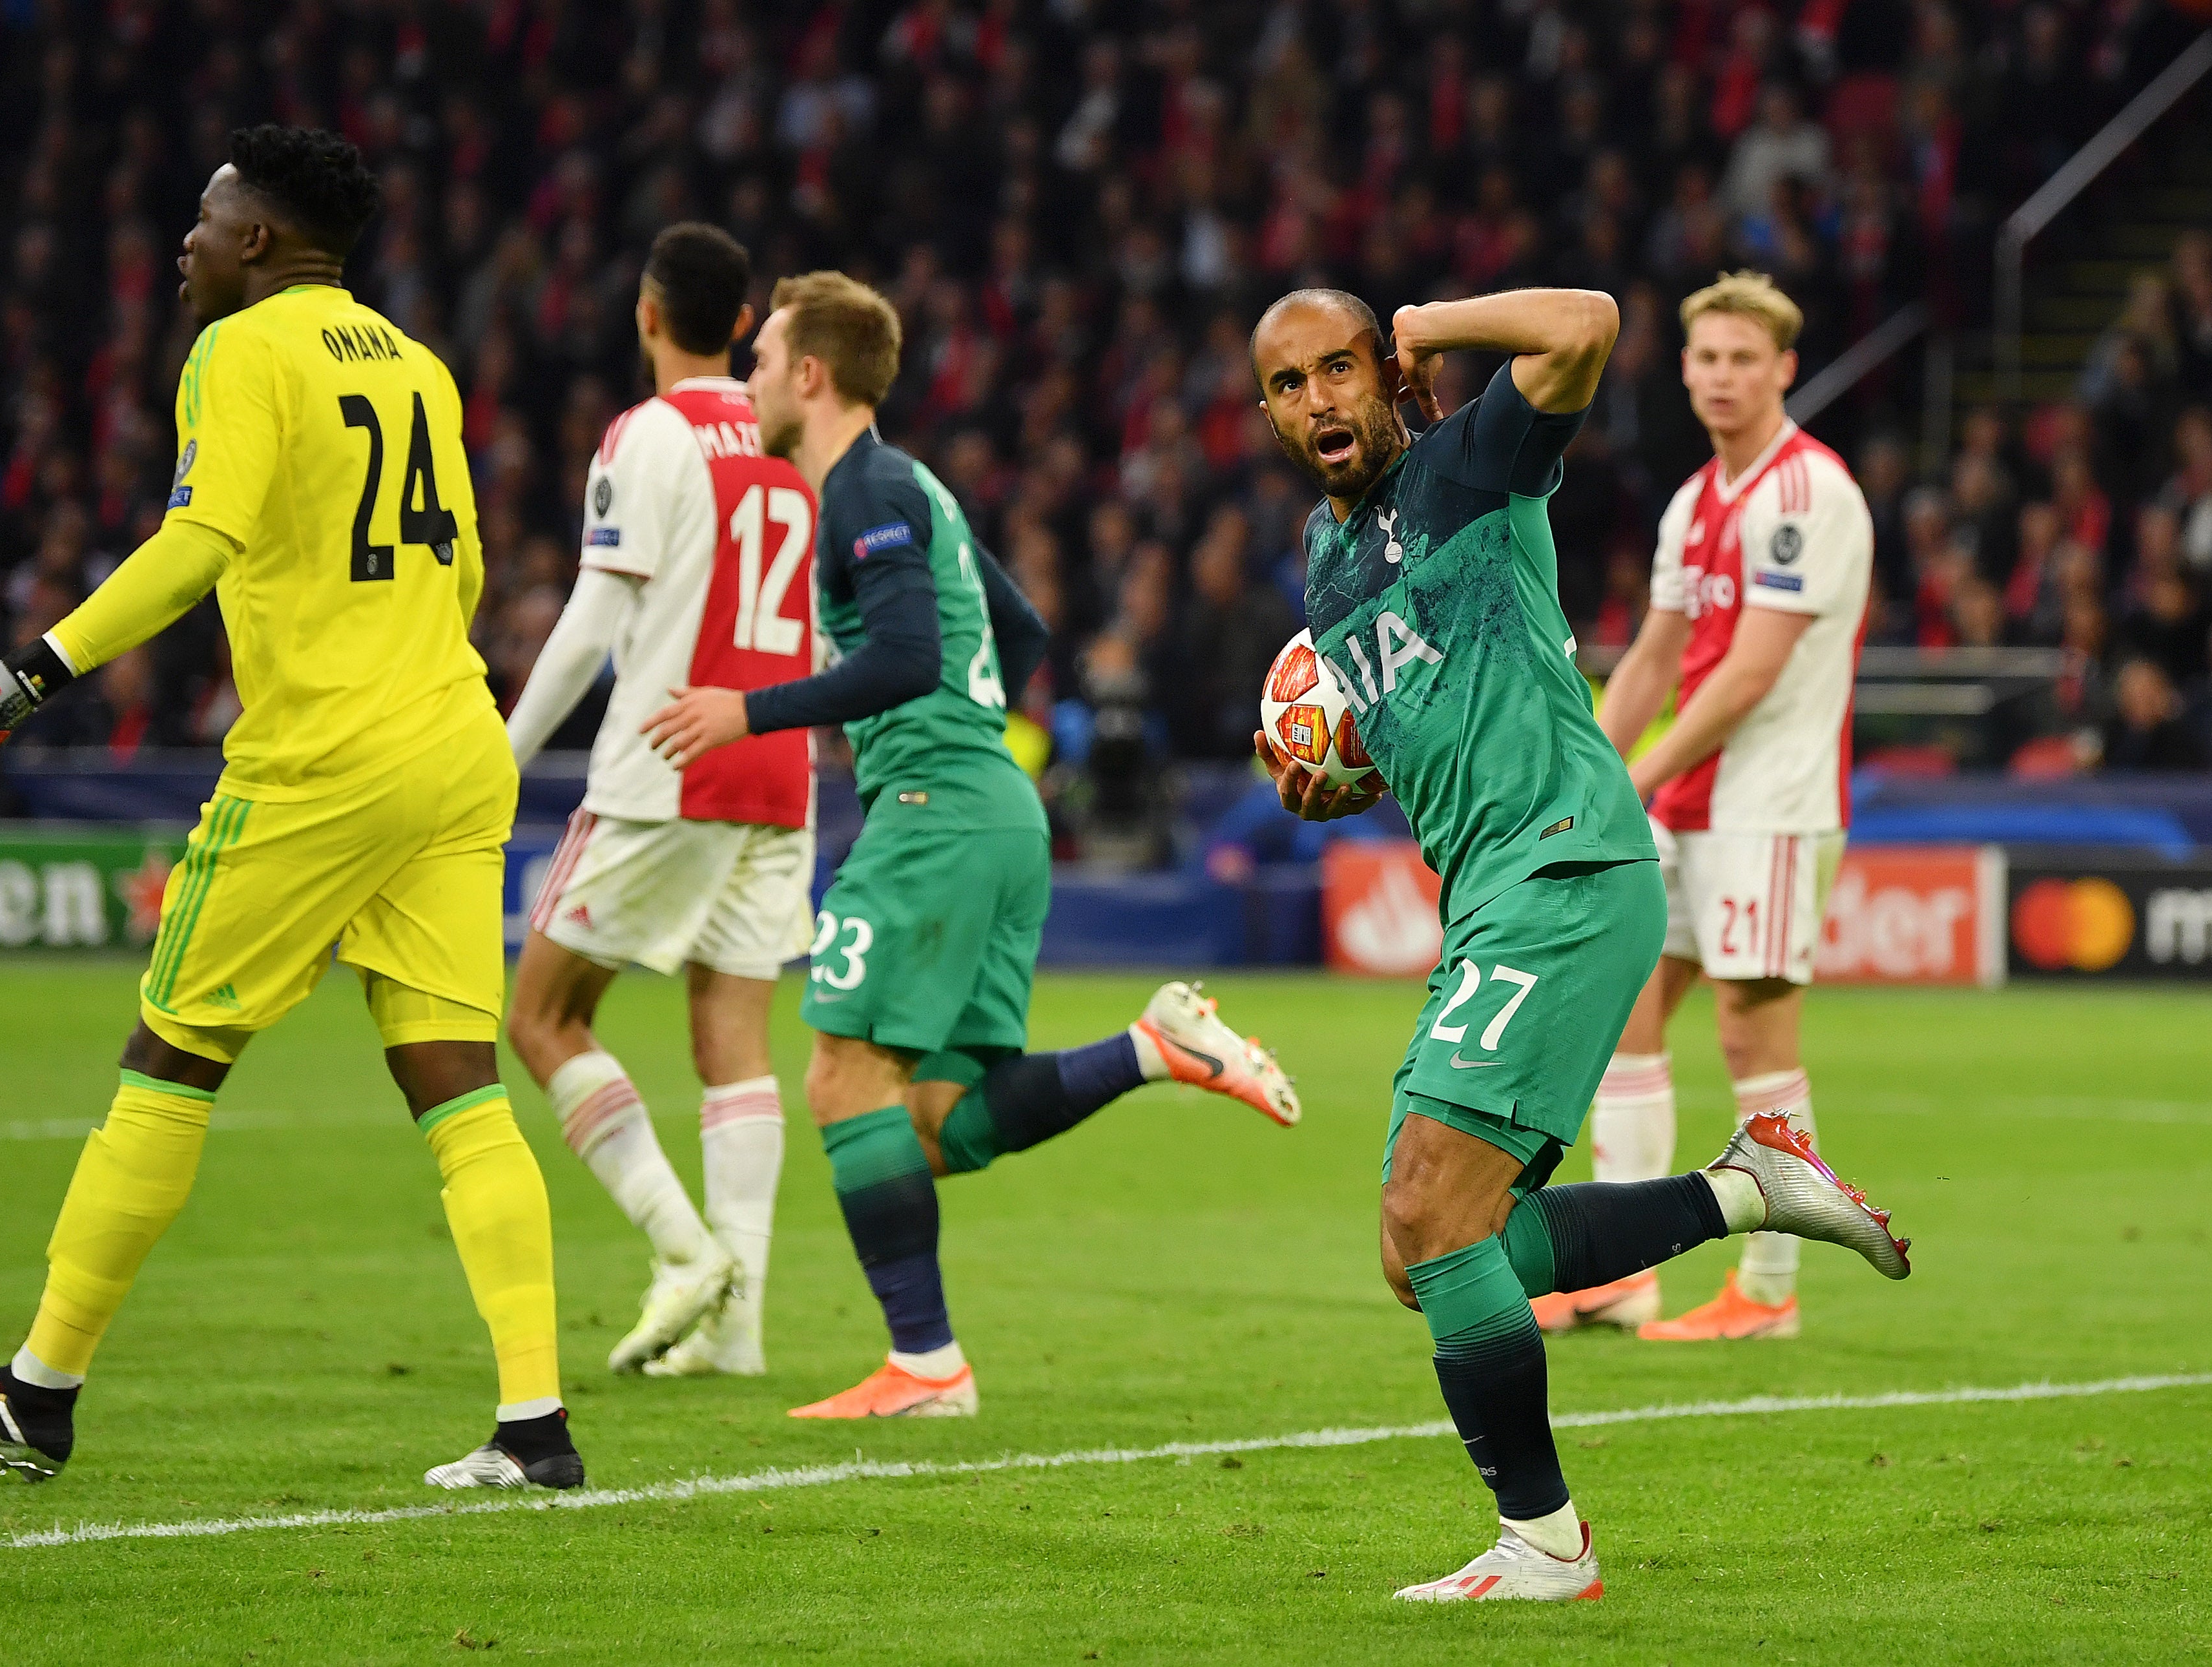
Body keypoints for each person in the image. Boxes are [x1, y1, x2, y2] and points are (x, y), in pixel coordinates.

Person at [0, 127, 584, 1493]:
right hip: (455, 742)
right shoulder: (417, 363)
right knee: (457, 1080)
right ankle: (534, 1426)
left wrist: (28, 674)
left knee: (172, 1053)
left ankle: (39, 1390)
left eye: (205, 219)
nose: (185, 244)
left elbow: (199, 541)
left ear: (259, 238)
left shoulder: (242, 351)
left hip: (323, 762)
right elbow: (469, 571)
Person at [1248, 285, 1909, 1602]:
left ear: (1385, 373)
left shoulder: (1469, 463)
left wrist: (1432, 321)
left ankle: (1545, 1542)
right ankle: (1746, 1189)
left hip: (1562, 864)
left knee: (1430, 1212)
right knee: (1425, 1251)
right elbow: (1415, 711)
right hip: (1491, 893)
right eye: (1288, 383)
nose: (1319, 398)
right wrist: (1342, 774)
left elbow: (1589, 322)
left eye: (1340, 367)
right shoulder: (1325, 558)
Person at [645, 271, 1302, 1420]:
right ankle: (1153, 1047)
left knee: (843, 1076)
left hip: (935, 813)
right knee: (939, 1119)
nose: (748, 381)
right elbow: (1022, 630)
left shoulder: (864, 490)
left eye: (764, 361)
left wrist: (747, 709)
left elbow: (907, 657)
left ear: (812, 375)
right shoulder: (913, 487)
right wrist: (966, 730)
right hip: (994, 807)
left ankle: (927, 1364)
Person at [1538, 271, 1876, 1341]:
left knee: (1752, 1030)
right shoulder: (1696, 501)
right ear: (1685, 370)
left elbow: (1751, 675)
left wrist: (1634, 777)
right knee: (1630, 1007)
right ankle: (1622, 1272)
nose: (1725, 376)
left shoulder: (1809, 493)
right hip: (1688, 799)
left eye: (1745, 359)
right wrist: (1592, 769)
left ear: (1783, 369)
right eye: (1710, 358)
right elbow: (1655, 657)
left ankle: (1769, 1290)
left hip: (1768, 803)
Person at [501, 223, 814, 1380]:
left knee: (542, 1017)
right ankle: (739, 1331)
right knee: (734, 1042)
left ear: (646, 314)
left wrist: (503, 751)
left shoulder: (651, 432)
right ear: (742, 323)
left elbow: (595, 614)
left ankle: (685, 1252)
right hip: (778, 767)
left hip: (669, 759)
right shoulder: (792, 431)